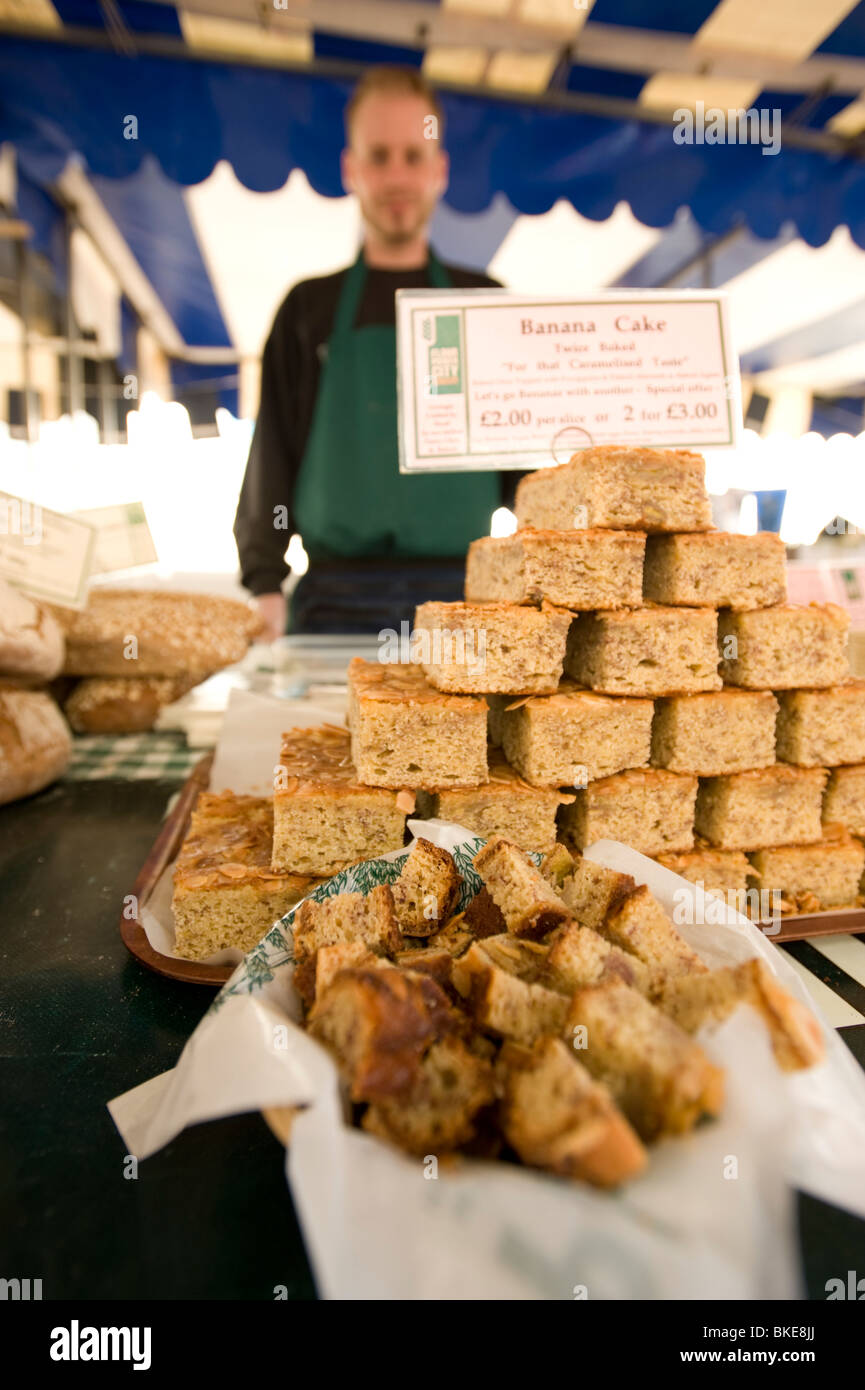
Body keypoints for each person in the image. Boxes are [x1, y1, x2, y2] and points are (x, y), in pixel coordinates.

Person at [233, 65, 512, 638]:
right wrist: (264, 581)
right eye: (378, 156)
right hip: (334, 603)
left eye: (413, 156)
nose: (396, 176)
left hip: (466, 603)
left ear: (440, 170)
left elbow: (528, 468)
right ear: (350, 170)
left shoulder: (485, 304)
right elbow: (274, 452)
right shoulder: (306, 309)